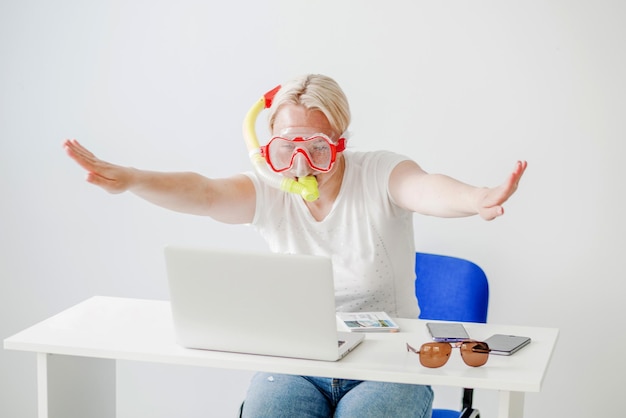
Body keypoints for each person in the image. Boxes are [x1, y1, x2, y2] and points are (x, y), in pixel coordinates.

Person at [64, 74, 527, 418]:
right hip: (297, 362)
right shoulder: (270, 189)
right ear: (268, 149)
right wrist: (133, 180)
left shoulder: (380, 172)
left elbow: (425, 189)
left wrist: (476, 199)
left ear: (340, 144)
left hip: (388, 363)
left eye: (317, 148)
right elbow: (203, 192)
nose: (301, 164)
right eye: (287, 148)